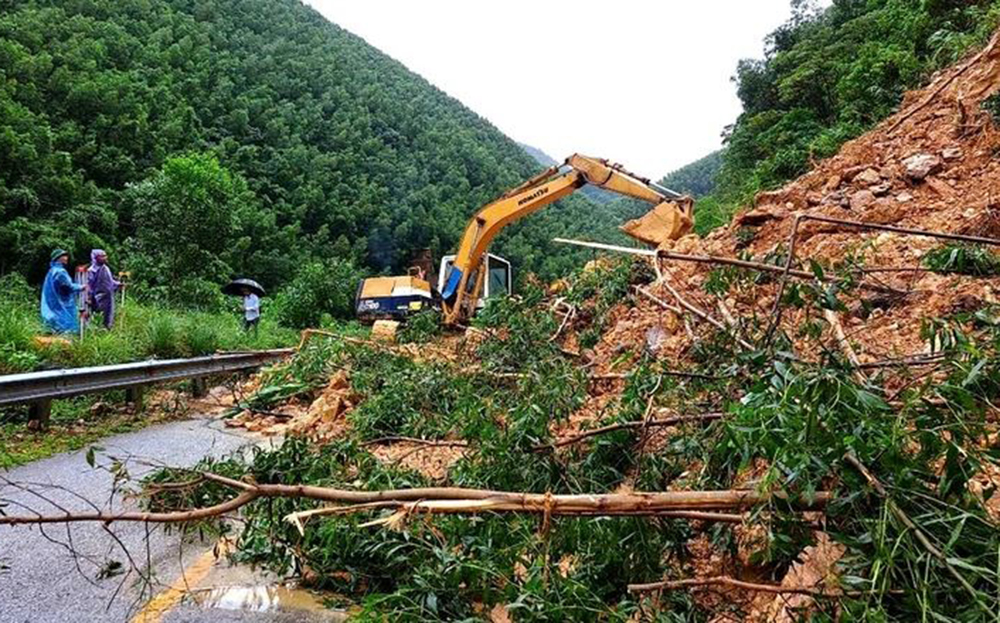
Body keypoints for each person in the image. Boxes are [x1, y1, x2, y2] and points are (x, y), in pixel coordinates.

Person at [40, 249, 84, 334]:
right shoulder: (60, 272)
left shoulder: (52, 270)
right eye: (63, 256)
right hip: (61, 303)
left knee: (53, 325)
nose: (66, 258)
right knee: (65, 325)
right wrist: (82, 287)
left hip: (52, 302)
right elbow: (69, 286)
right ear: (58, 258)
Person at [86, 249, 122, 329]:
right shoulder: (91, 271)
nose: (105, 258)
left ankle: (107, 330)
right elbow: (88, 285)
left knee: (108, 315)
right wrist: (88, 297)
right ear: (96, 258)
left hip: (108, 297)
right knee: (98, 316)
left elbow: (110, 281)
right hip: (97, 298)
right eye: (102, 256)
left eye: (105, 255)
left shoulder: (106, 268)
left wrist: (118, 284)